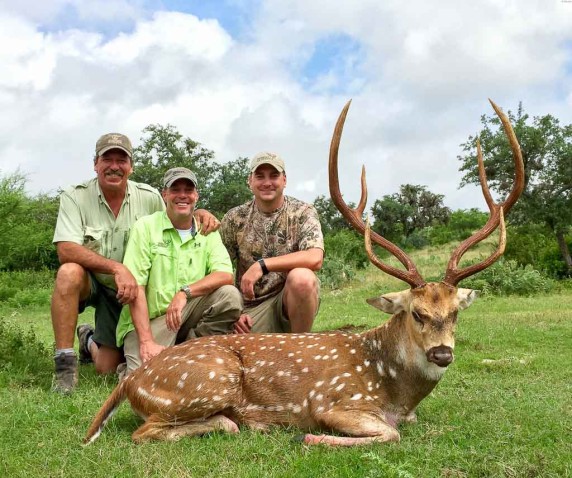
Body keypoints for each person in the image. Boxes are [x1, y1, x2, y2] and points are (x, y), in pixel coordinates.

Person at [51, 133, 219, 394]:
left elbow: (174, 213)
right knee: (68, 272)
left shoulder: (150, 196)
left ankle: (89, 341)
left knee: (106, 367)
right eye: (108, 159)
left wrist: (197, 213)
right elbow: (66, 249)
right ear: (95, 163)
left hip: (134, 293)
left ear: (131, 166)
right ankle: (64, 364)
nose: (114, 166)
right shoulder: (75, 196)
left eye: (122, 160)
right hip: (96, 281)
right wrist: (117, 268)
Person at [117, 167, 242, 375]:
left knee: (229, 296)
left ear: (196, 196)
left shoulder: (207, 230)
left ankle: (193, 350)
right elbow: (136, 287)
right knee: (144, 380)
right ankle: (135, 361)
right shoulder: (146, 227)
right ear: (164, 194)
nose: (182, 195)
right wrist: (146, 341)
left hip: (188, 310)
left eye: (188, 190)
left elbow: (225, 275)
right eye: (175, 189)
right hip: (153, 320)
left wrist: (185, 292)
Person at [221, 152, 324, 334]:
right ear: (250, 181)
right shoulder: (234, 218)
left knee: (303, 278)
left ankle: (300, 348)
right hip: (247, 313)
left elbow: (315, 257)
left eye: (274, 176)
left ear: (284, 180)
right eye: (260, 176)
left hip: (285, 305)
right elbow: (219, 270)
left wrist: (262, 265)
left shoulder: (303, 212)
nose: (267, 183)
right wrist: (232, 312)